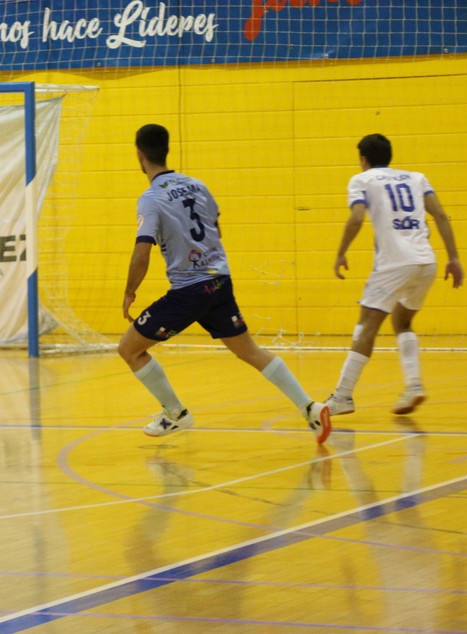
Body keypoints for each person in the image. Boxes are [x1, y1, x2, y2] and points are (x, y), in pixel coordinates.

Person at [119, 124, 331, 444]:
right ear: (166, 149)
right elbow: (214, 226)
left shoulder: (150, 198)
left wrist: (129, 290)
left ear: (139, 154)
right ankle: (311, 407)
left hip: (189, 290)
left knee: (129, 349)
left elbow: (142, 251)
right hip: (219, 282)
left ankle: (176, 414)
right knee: (249, 351)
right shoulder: (197, 185)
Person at [325, 134, 463, 416]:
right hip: (426, 262)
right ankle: (413, 385)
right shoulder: (416, 177)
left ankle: (342, 397)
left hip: (394, 264)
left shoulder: (361, 180)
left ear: (363, 159)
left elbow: (357, 217)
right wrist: (454, 258)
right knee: (401, 320)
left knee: (366, 326)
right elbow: (440, 215)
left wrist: (340, 253)